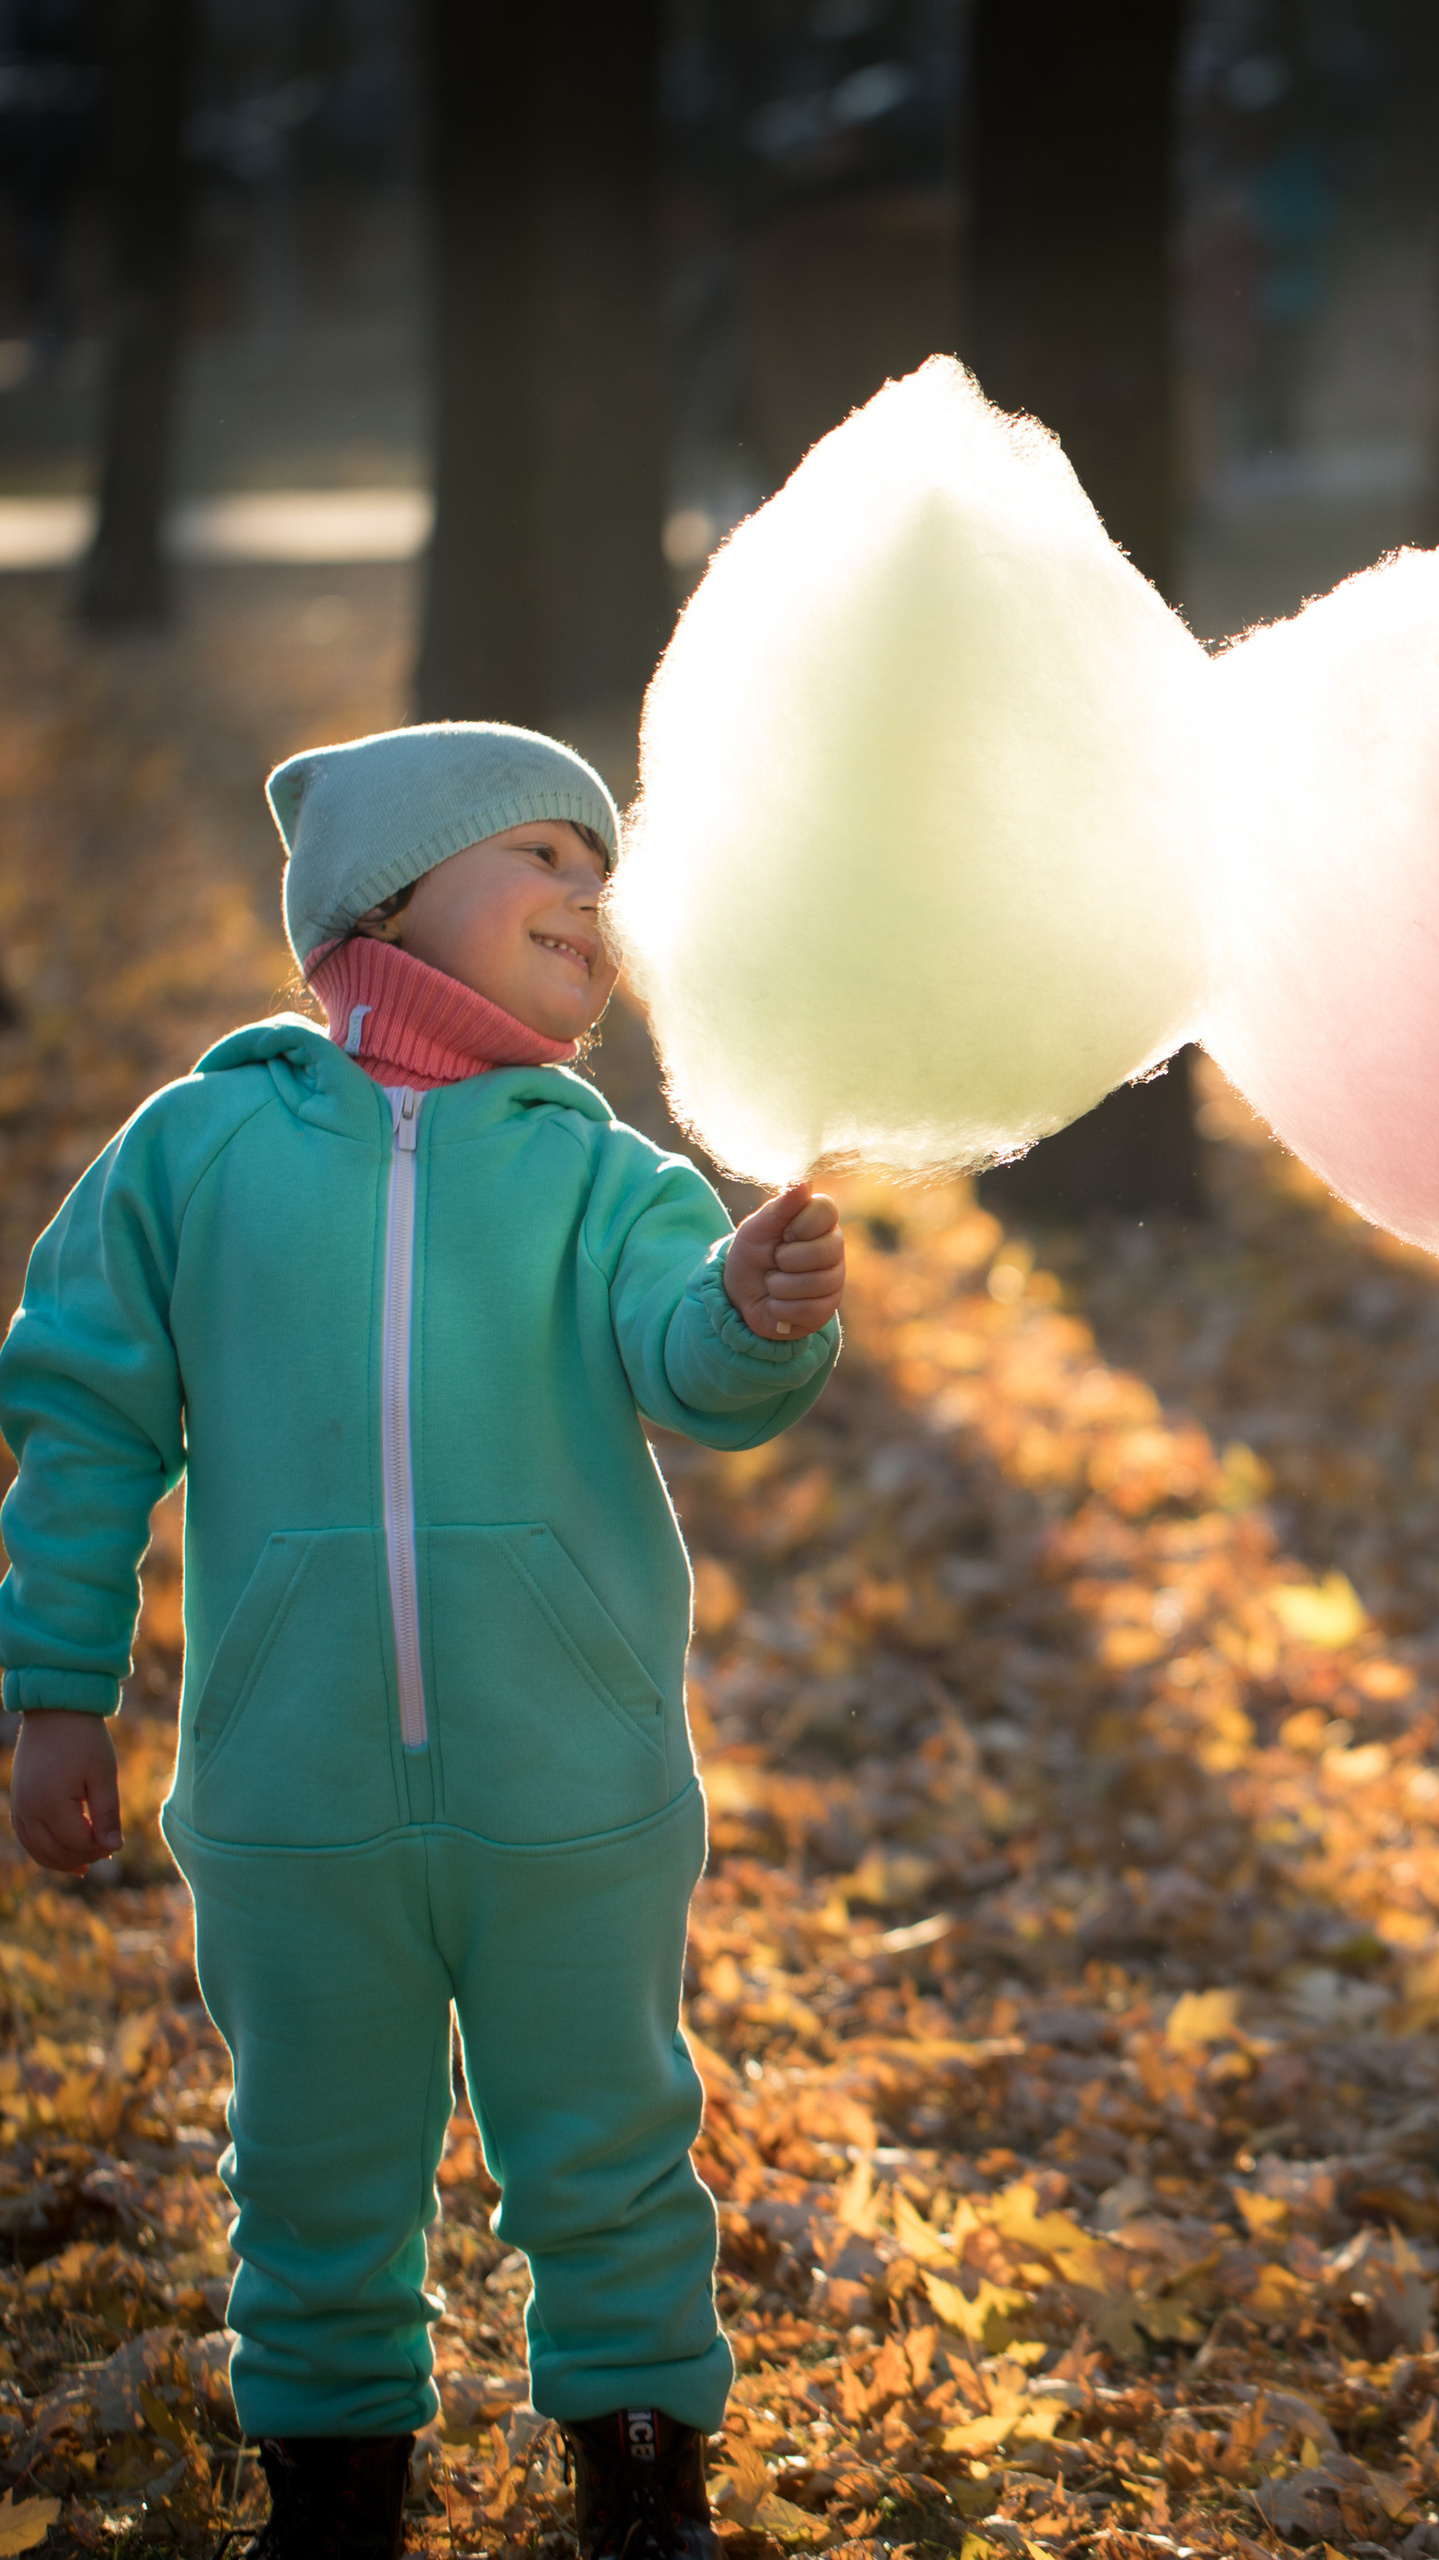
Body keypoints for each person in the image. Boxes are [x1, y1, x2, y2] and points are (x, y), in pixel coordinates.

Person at [1, 722, 848, 2560]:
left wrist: (756, 1312)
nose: (587, 894)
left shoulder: (605, 1175)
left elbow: (691, 1360)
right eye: (543, 854)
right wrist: (58, 1687)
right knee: (311, 2162)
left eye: (601, 873)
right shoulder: (198, 1151)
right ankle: (333, 2485)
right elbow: (81, 1420)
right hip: (292, 1786)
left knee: (607, 2137)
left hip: (571, 1781)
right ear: (383, 900)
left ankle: (640, 2462)